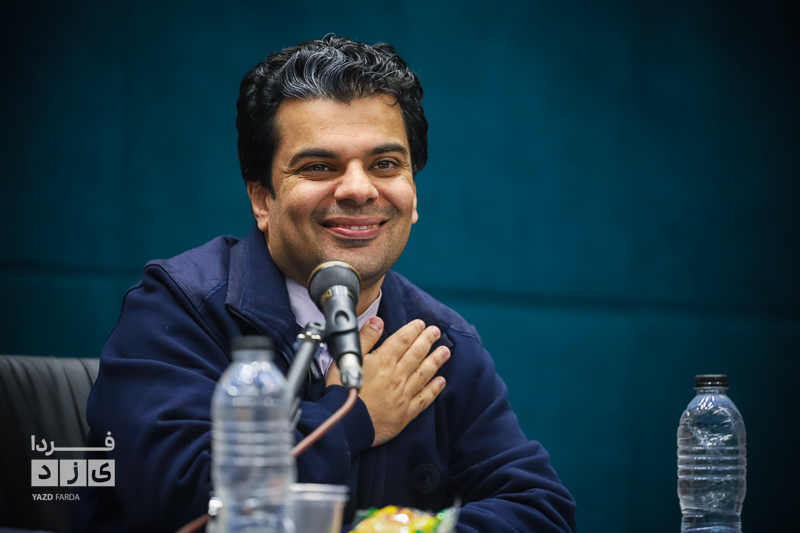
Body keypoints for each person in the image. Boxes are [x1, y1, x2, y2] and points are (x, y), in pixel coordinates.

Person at [74, 36, 577, 533]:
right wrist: (351, 415)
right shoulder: (177, 309)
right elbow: (186, 507)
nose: (358, 189)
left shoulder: (440, 342)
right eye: (319, 166)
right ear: (262, 199)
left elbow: (540, 512)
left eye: (385, 165)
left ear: (413, 193)